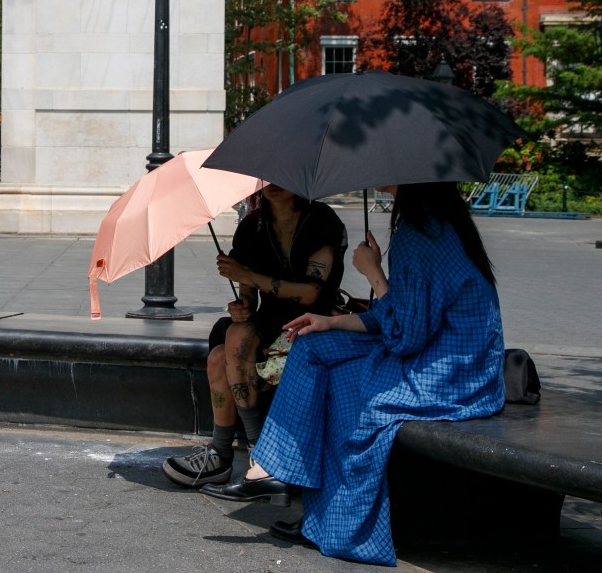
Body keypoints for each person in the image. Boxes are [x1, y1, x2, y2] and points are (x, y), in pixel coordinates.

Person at [201, 182, 505, 567]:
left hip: (451, 374)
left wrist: (373, 272)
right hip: (447, 356)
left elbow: (407, 334)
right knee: (312, 343)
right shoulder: (432, 223)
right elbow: (404, 317)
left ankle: (333, 522)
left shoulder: (422, 233)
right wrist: (333, 322)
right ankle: (274, 471)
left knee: (346, 390)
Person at [162, 184, 347, 488]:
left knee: (233, 348)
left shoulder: (321, 219)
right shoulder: (252, 225)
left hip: (315, 321)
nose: (272, 184)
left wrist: (246, 275)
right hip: (271, 320)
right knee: (224, 348)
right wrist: (241, 306)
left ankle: (258, 454)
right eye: (266, 177)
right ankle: (232, 451)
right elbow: (248, 297)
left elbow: (312, 294)